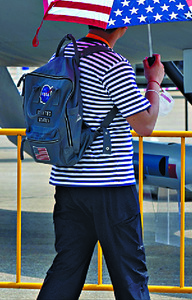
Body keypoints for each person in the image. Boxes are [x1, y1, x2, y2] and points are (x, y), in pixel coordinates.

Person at [37, 25, 164, 300]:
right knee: (130, 272)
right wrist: (154, 82)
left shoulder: (61, 55)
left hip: (68, 182)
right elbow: (144, 124)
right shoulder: (113, 64)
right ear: (123, 24)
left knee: (66, 268)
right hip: (111, 186)